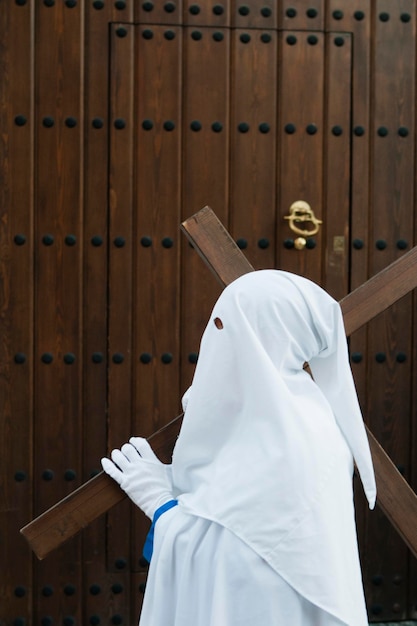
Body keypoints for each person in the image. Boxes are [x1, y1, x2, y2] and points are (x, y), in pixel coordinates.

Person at [102, 270, 376, 626]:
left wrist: (162, 506)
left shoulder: (294, 441)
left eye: (224, 325)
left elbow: (240, 567)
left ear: (261, 336)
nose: (215, 337)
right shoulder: (298, 414)